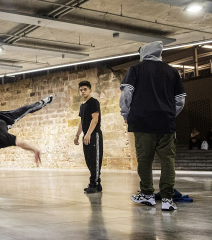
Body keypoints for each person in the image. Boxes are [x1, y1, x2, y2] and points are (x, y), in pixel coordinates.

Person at [120, 41, 186, 211]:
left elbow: (127, 92)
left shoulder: (136, 69)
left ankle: (147, 195)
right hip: (166, 124)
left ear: (144, 53)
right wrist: (169, 114)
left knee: (144, 160)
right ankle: (167, 199)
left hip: (142, 123)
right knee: (168, 161)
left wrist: (126, 113)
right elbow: (180, 100)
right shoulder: (172, 72)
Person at [73, 81, 104, 194]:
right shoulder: (82, 106)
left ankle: (93, 184)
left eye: (85, 89)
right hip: (86, 135)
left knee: (95, 160)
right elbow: (81, 122)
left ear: (90, 90)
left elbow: (95, 119)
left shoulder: (93, 102)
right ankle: (97, 183)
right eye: (81, 90)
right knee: (89, 160)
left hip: (94, 135)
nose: (83, 92)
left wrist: (89, 133)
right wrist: (77, 135)